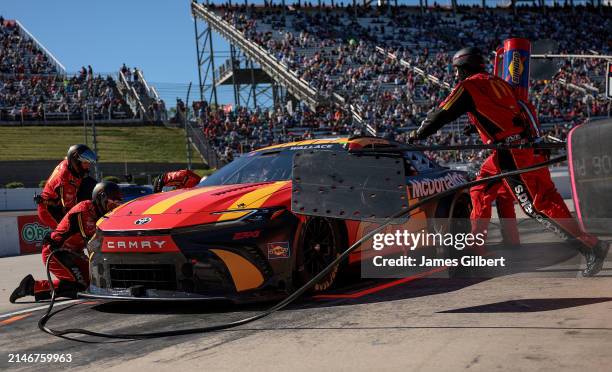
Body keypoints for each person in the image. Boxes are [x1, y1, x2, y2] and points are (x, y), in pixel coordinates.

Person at [408, 46, 609, 277]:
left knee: (535, 207)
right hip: (526, 147)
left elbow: (442, 113)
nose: (455, 76)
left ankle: (591, 247)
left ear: (464, 68)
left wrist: (418, 135)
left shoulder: (468, 86)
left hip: (512, 153)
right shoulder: (499, 82)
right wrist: (476, 125)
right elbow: (509, 111)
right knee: (481, 187)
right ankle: (475, 249)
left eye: (457, 70)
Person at [10, 181, 122, 303]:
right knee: (78, 287)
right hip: (55, 252)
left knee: (93, 283)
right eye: (111, 203)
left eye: (116, 204)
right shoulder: (84, 211)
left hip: (72, 253)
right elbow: (93, 245)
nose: (113, 208)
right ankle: (31, 287)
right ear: (101, 198)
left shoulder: (102, 215)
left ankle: (35, 286)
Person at [36, 144, 97, 229]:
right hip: (50, 210)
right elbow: (70, 210)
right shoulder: (65, 180)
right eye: (85, 162)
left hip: (60, 202)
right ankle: (51, 242)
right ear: (76, 161)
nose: (88, 166)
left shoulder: (70, 165)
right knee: (69, 233)